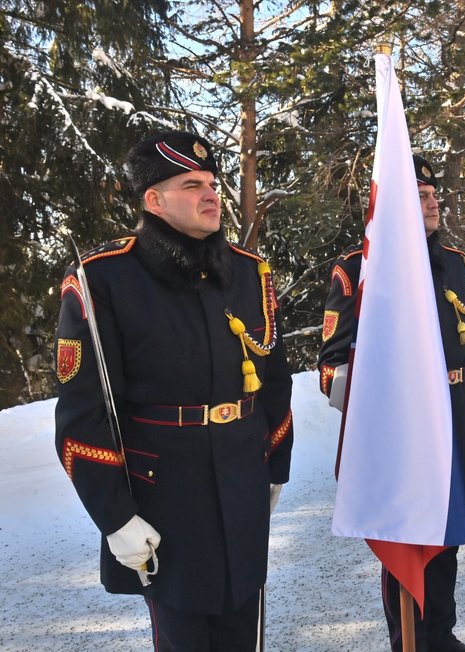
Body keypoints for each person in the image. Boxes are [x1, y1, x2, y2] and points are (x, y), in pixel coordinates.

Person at [54, 131, 294, 650]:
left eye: (212, 182)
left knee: (244, 627)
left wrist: (273, 463)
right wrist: (115, 517)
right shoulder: (104, 280)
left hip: (241, 477)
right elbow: (84, 414)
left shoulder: (249, 274)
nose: (212, 194)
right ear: (153, 200)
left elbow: (273, 379)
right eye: (192, 184)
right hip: (164, 494)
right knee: (183, 633)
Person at [318, 156, 465, 652]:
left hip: (451, 412)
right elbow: (331, 368)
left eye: (434, 196)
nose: (433, 204)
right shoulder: (359, 267)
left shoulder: (458, 263)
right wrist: (380, 402)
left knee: (448, 532)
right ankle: (407, 642)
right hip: (401, 424)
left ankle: (442, 634)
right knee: (406, 539)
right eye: (420, 196)